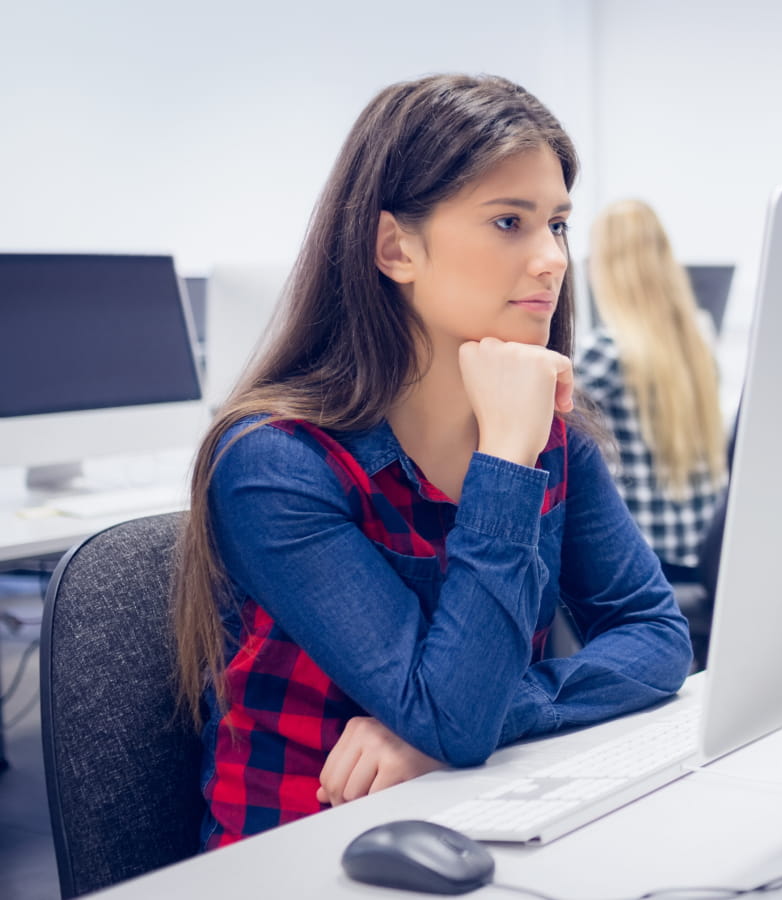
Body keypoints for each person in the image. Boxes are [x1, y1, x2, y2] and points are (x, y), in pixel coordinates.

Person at [172, 74, 692, 850]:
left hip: (490, 810)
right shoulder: (277, 465)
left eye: (557, 224)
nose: (552, 259)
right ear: (395, 248)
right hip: (307, 848)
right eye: (509, 222)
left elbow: (656, 636)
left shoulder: (555, 435)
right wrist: (507, 464)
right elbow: (453, 715)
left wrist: (468, 720)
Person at [576, 199, 727, 591]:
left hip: (643, 561)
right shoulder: (697, 342)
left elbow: (536, 414)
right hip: (701, 556)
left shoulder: (608, 349)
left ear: (606, 267)